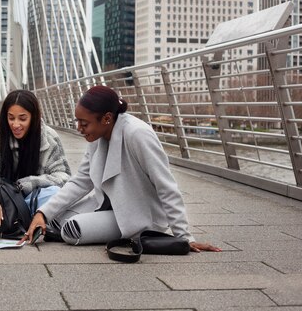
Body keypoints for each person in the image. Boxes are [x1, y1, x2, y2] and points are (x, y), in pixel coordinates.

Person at [20, 85, 220, 252]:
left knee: (71, 230)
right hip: (106, 205)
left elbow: (165, 186)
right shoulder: (96, 136)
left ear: (106, 118)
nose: (79, 128)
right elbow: (81, 181)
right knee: (54, 221)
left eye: (84, 123)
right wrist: (43, 214)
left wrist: (184, 237)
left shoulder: (138, 134)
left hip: (137, 213)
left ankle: (92, 226)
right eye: (77, 121)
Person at [0, 90, 71, 229]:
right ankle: (19, 219)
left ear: (34, 117)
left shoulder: (49, 138)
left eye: (22, 118)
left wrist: (29, 183)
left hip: (32, 198)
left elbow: (64, 176)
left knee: (54, 193)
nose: (16, 124)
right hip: (2, 197)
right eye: (11, 118)